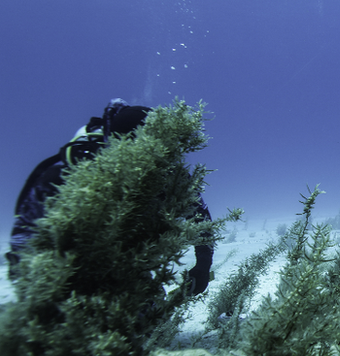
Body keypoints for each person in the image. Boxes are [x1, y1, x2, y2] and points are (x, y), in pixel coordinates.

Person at [7, 98, 215, 295]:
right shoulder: (69, 174)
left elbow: (200, 215)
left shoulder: (169, 171)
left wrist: (203, 263)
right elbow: (24, 239)